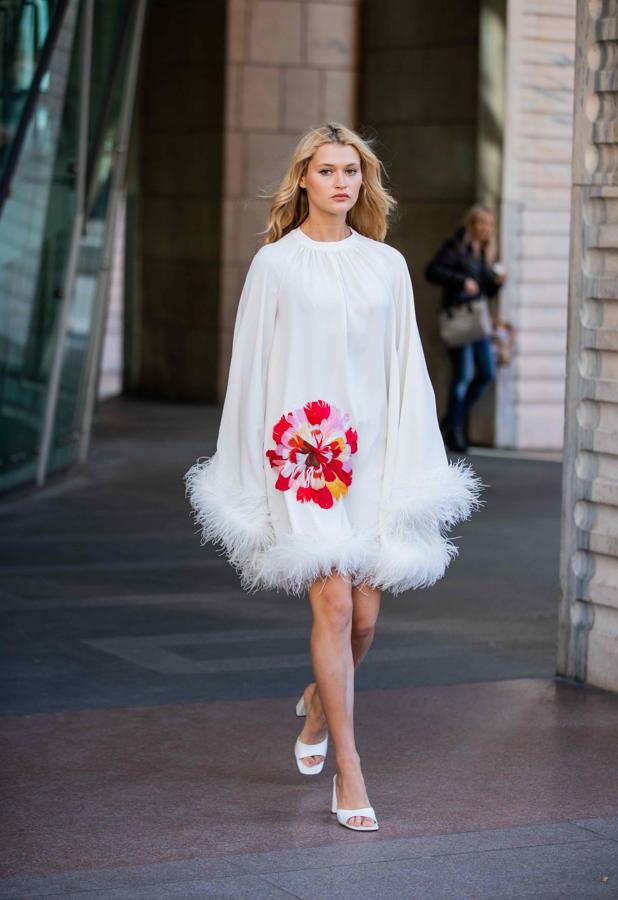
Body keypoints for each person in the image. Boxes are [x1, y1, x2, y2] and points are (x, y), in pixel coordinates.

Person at [183, 123, 486, 832]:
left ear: (363, 181)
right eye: (327, 170)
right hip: (303, 452)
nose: (342, 181)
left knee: (368, 616)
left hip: (373, 453)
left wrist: (417, 457)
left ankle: (320, 702)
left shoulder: (385, 265)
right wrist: (252, 465)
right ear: (304, 181)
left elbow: (406, 367)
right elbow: (251, 369)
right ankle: (350, 769)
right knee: (335, 608)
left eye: (352, 170)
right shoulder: (276, 266)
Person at [425, 205, 507, 452]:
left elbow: (485, 291)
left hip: (478, 323)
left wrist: (496, 283)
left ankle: (450, 422)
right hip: (461, 320)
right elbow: (433, 271)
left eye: (490, 224)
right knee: (462, 376)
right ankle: (455, 433)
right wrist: (462, 280)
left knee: (487, 373)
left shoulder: (484, 252)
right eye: (482, 223)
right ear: (472, 224)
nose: (486, 228)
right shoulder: (457, 247)